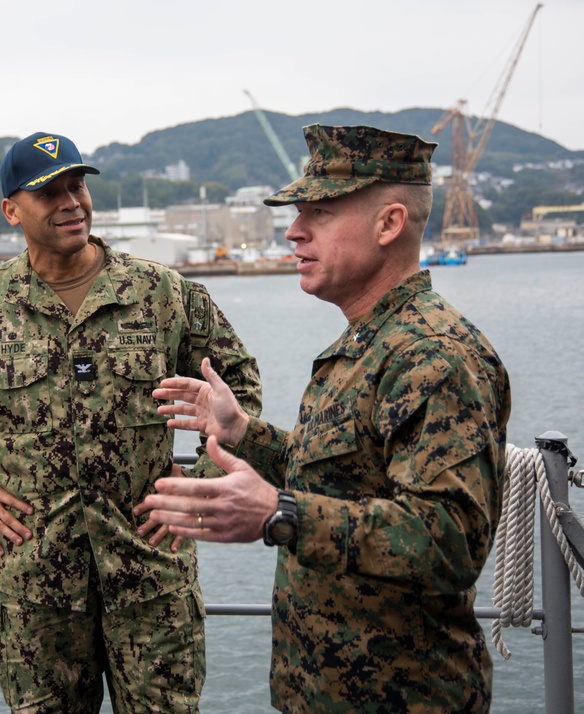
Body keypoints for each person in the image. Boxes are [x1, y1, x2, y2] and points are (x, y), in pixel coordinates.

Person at [138, 125, 511, 713]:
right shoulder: (369, 341)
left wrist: (279, 514)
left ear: (388, 225)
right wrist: (243, 434)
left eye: (319, 212)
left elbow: (451, 540)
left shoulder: (434, 356)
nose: (294, 231)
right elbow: (341, 480)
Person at [0, 132, 262, 713]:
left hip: (151, 579)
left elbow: (240, 396)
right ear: (12, 210)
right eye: (49, 192)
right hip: (34, 588)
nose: (71, 202)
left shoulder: (163, 295)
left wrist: (201, 488)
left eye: (78, 185)